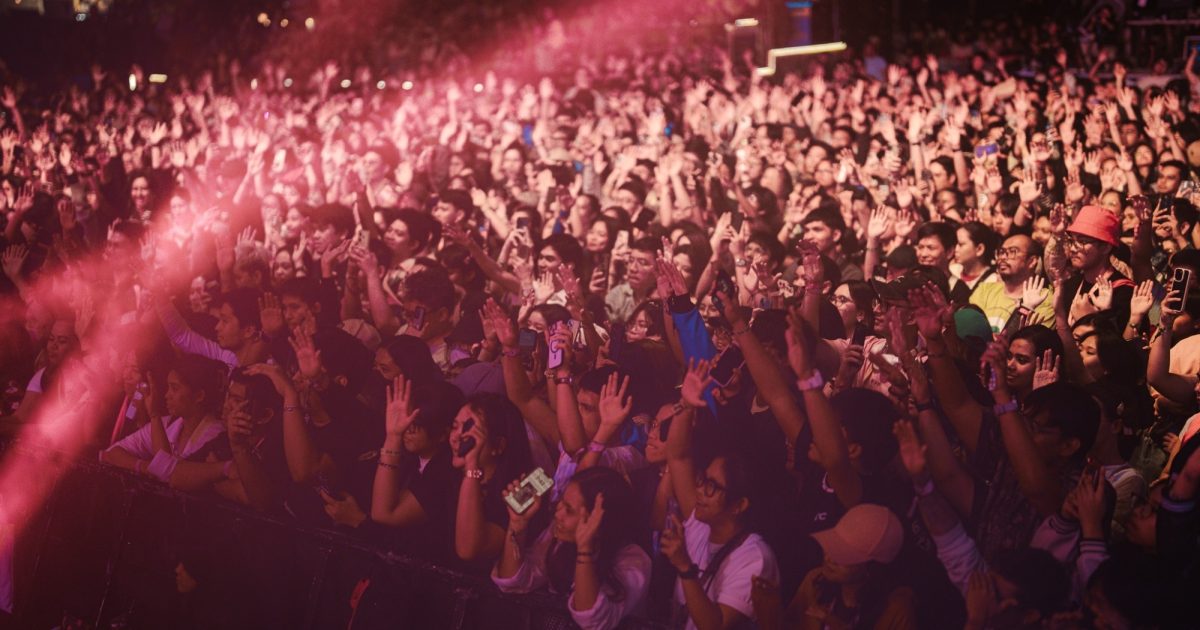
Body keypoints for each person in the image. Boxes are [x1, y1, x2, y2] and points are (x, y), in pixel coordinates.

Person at [494, 467, 651, 630]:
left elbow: (592, 620)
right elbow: (512, 581)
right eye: (560, 503)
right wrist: (517, 524)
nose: (557, 514)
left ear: (599, 521)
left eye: (568, 510)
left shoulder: (635, 561)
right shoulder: (559, 539)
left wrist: (585, 549)